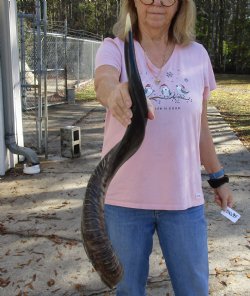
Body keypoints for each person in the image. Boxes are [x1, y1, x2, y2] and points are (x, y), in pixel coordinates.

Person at [94, 0, 234, 295]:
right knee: (127, 290)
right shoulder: (116, 48)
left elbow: (201, 127)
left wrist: (218, 177)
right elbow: (103, 81)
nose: (157, 2)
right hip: (125, 202)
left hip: (183, 201)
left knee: (194, 289)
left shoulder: (197, 55)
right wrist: (114, 94)